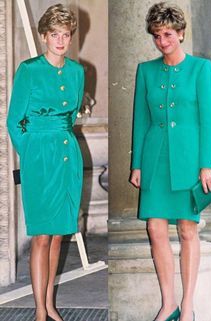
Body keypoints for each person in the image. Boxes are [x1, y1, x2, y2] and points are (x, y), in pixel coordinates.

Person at [130, 2, 211, 321]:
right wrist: (136, 164)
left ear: (180, 33)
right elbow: (141, 119)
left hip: (188, 160)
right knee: (154, 228)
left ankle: (188, 307)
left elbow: (209, 120)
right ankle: (168, 304)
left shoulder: (200, 69)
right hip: (154, 160)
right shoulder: (146, 70)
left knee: (187, 230)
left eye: (167, 34)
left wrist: (206, 164)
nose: (162, 41)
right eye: (156, 35)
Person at [7, 4, 84, 321]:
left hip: (68, 157)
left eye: (66, 35)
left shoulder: (78, 72)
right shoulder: (29, 70)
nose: (61, 40)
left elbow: (73, 113)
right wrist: (34, 154)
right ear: (43, 37)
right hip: (39, 157)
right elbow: (14, 122)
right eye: (55, 34)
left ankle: (50, 304)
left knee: (57, 234)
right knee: (41, 234)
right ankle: (39, 311)